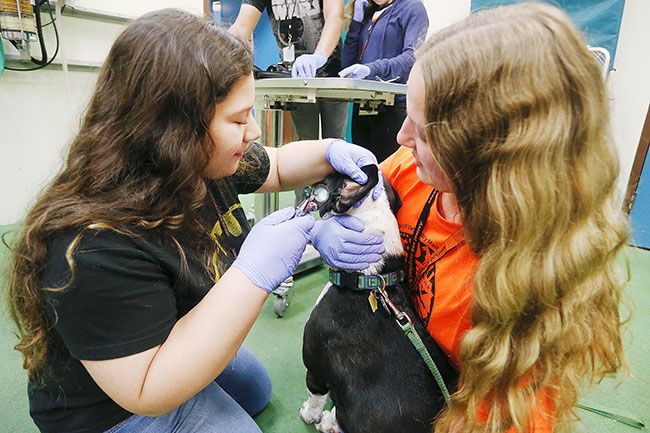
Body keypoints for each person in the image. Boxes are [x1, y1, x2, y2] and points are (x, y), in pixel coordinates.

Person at [6, 9, 383, 433]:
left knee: (255, 389)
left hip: (169, 331)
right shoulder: (92, 244)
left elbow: (276, 166)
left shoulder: (198, 164)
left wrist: (330, 150)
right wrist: (254, 273)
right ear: (177, 129)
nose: (255, 132)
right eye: (239, 120)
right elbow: (147, 390)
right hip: (119, 400)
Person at [313, 3, 629, 432]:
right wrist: (324, 224)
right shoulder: (413, 168)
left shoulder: (529, 286)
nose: (402, 137)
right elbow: (355, 191)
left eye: (423, 132)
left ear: (483, 157)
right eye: (407, 115)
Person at [229, 0, 349, 142]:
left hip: (330, 74)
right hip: (296, 79)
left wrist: (319, 56)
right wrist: (222, 51)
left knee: (335, 140)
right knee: (305, 141)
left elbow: (335, 15)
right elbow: (241, 27)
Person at [338, 0, 428, 163]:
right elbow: (348, 65)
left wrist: (373, 69)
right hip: (362, 105)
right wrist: (355, 25)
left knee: (387, 173)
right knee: (363, 172)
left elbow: (412, 57)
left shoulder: (412, 8)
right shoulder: (369, 11)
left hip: (391, 106)